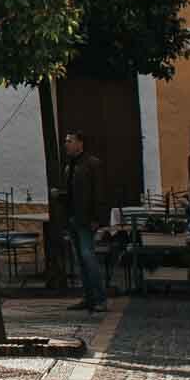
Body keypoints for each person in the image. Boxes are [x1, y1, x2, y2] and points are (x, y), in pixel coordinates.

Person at [59, 129, 109, 314]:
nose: (66, 144)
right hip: (73, 218)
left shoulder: (92, 164)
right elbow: (71, 193)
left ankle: (100, 298)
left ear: (80, 143)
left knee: (88, 257)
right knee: (80, 259)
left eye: (70, 140)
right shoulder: (69, 166)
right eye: (66, 141)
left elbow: (99, 192)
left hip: (86, 219)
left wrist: (97, 217)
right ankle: (88, 297)